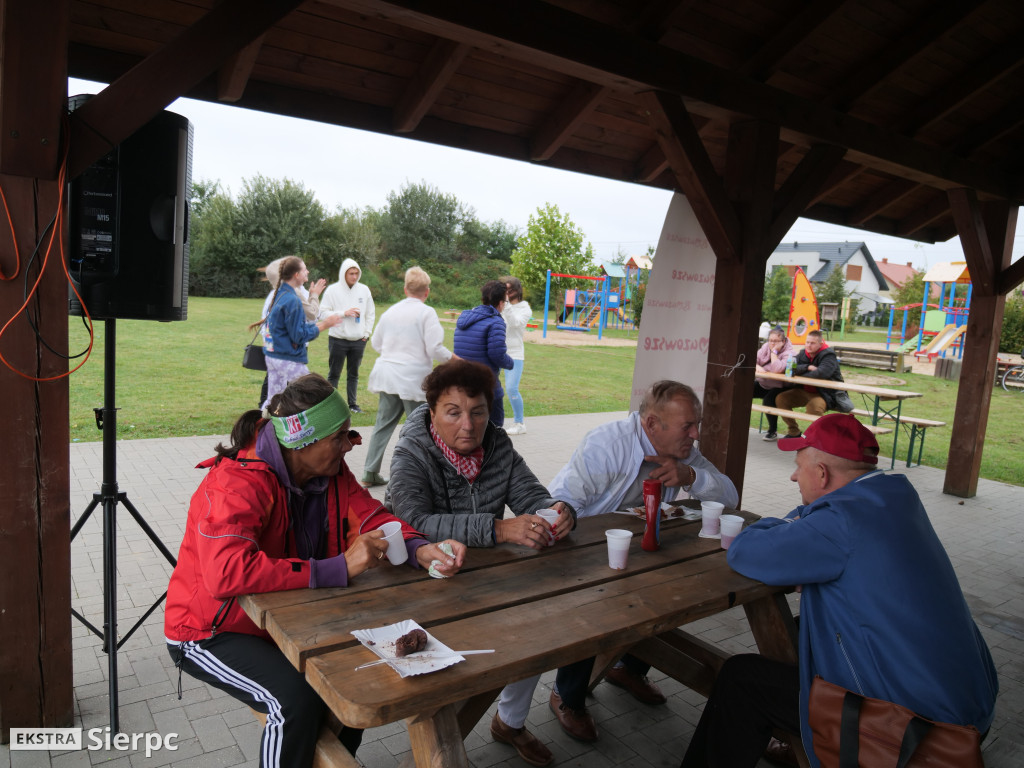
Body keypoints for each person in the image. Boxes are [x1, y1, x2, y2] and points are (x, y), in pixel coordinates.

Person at [165, 374, 466, 768]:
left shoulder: (330, 472)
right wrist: (338, 567)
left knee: (357, 677)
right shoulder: (234, 483)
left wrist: (419, 547)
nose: (349, 446)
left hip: (286, 621)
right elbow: (226, 574)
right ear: (304, 442)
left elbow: (371, 515)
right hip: (209, 632)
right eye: (340, 437)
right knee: (292, 702)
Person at [680, 414, 998, 768]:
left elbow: (745, 550)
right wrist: (805, 531)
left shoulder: (839, 524)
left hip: (921, 729)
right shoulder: (895, 498)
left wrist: (793, 525)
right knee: (797, 631)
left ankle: (816, 736)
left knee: (742, 680)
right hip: (969, 704)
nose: (792, 476)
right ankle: (804, 734)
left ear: (822, 474)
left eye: (799, 466)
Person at [387, 359, 576, 767]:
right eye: (453, 413)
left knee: (538, 627)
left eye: (478, 412)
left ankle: (509, 721)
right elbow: (411, 520)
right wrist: (499, 530)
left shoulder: (497, 443)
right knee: (446, 674)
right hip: (422, 585)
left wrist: (557, 511)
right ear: (433, 411)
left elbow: (530, 494)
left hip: (487, 582)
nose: (468, 426)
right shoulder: (412, 451)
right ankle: (440, 751)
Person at [545, 380, 738, 742]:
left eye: (696, 424)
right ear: (651, 424)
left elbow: (731, 495)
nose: (696, 435)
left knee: (667, 590)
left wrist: (691, 476)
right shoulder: (608, 442)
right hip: (583, 547)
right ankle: (566, 696)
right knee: (591, 611)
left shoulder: (683, 452)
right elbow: (564, 497)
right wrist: (565, 518)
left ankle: (628, 667)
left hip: (644, 543)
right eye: (687, 426)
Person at [360, 266, 453, 488]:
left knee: (382, 425)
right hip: (414, 379)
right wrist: (455, 359)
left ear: (405, 289)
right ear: (427, 292)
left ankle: (370, 472)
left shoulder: (391, 311)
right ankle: (425, 476)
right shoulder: (426, 313)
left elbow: (376, 344)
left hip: (389, 376)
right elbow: (435, 348)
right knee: (421, 429)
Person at [262, 256, 342, 408]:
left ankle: (262, 427)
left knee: (273, 401)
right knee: (315, 395)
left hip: (273, 355)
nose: (308, 271)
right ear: (296, 275)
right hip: (288, 358)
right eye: (304, 269)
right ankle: (320, 429)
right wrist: (324, 325)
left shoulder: (280, 294)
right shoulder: (292, 300)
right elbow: (299, 336)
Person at [454, 280, 513, 426]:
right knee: (494, 428)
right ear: (500, 303)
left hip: (462, 382)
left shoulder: (465, 318)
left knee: (468, 426)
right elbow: (497, 353)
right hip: (486, 384)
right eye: (505, 301)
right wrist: (510, 363)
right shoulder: (496, 322)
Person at [320, 258, 375, 413]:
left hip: (358, 340)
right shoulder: (332, 290)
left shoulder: (364, 290)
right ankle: (331, 404)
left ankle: (353, 404)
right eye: (351, 273)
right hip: (337, 339)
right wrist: (344, 313)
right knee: (334, 373)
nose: (354, 276)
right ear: (344, 273)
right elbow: (322, 313)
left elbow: (370, 313)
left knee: (354, 374)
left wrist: (366, 334)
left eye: (356, 273)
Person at [773, 330, 843, 438]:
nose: (808, 345)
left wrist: (799, 374)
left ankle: (821, 437)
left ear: (820, 344)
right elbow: (790, 367)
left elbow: (821, 373)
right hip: (804, 390)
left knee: (813, 409)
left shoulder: (828, 355)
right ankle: (794, 432)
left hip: (824, 393)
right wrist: (807, 367)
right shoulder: (803, 353)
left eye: (812, 343)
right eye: (807, 342)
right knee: (781, 399)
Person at [501, 276, 531, 435]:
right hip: (497, 351)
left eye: (508, 289)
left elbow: (515, 323)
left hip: (515, 353)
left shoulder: (525, 308)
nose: (505, 292)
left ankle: (519, 423)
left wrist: (505, 304)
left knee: (512, 388)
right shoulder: (501, 305)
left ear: (515, 291)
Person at [753, 327, 794, 441]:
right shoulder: (765, 346)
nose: (772, 343)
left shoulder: (789, 353)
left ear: (783, 341)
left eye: (775, 341)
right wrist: (757, 367)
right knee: (743, 390)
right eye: (770, 340)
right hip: (763, 382)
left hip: (780, 386)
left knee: (769, 400)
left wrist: (774, 352)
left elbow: (777, 369)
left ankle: (772, 431)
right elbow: (753, 359)